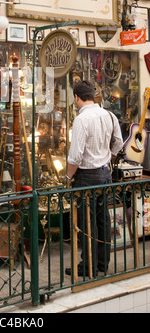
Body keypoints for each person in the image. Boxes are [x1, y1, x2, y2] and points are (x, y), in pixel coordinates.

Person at [65, 80, 123, 277]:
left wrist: (67, 176)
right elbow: (118, 143)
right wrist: (106, 157)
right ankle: (101, 264)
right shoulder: (109, 115)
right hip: (104, 173)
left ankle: (87, 266)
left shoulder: (81, 120)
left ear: (77, 98)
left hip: (87, 177)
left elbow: (75, 156)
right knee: (102, 220)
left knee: (86, 222)